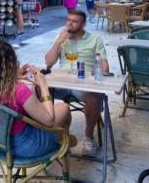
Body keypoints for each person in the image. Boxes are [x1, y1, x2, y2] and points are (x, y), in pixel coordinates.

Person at [0, 38, 72, 158]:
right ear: (12, 61)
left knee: (37, 111)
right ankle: (63, 144)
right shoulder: (19, 90)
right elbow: (49, 120)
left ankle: (60, 141)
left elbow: (1, 83)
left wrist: (15, 77)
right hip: (26, 147)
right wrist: (43, 86)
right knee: (64, 108)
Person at [45, 10, 109, 156]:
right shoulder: (62, 39)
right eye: (68, 20)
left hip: (83, 83)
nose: (70, 24)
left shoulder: (95, 40)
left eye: (74, 21)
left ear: (83, 24)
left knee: (93, 95)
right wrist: (58, 42)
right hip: (62, 83)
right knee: (39, 90)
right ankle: (53, 136)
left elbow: (105, 67)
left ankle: (88, 136)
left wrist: (100, 66)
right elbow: (48, 62)